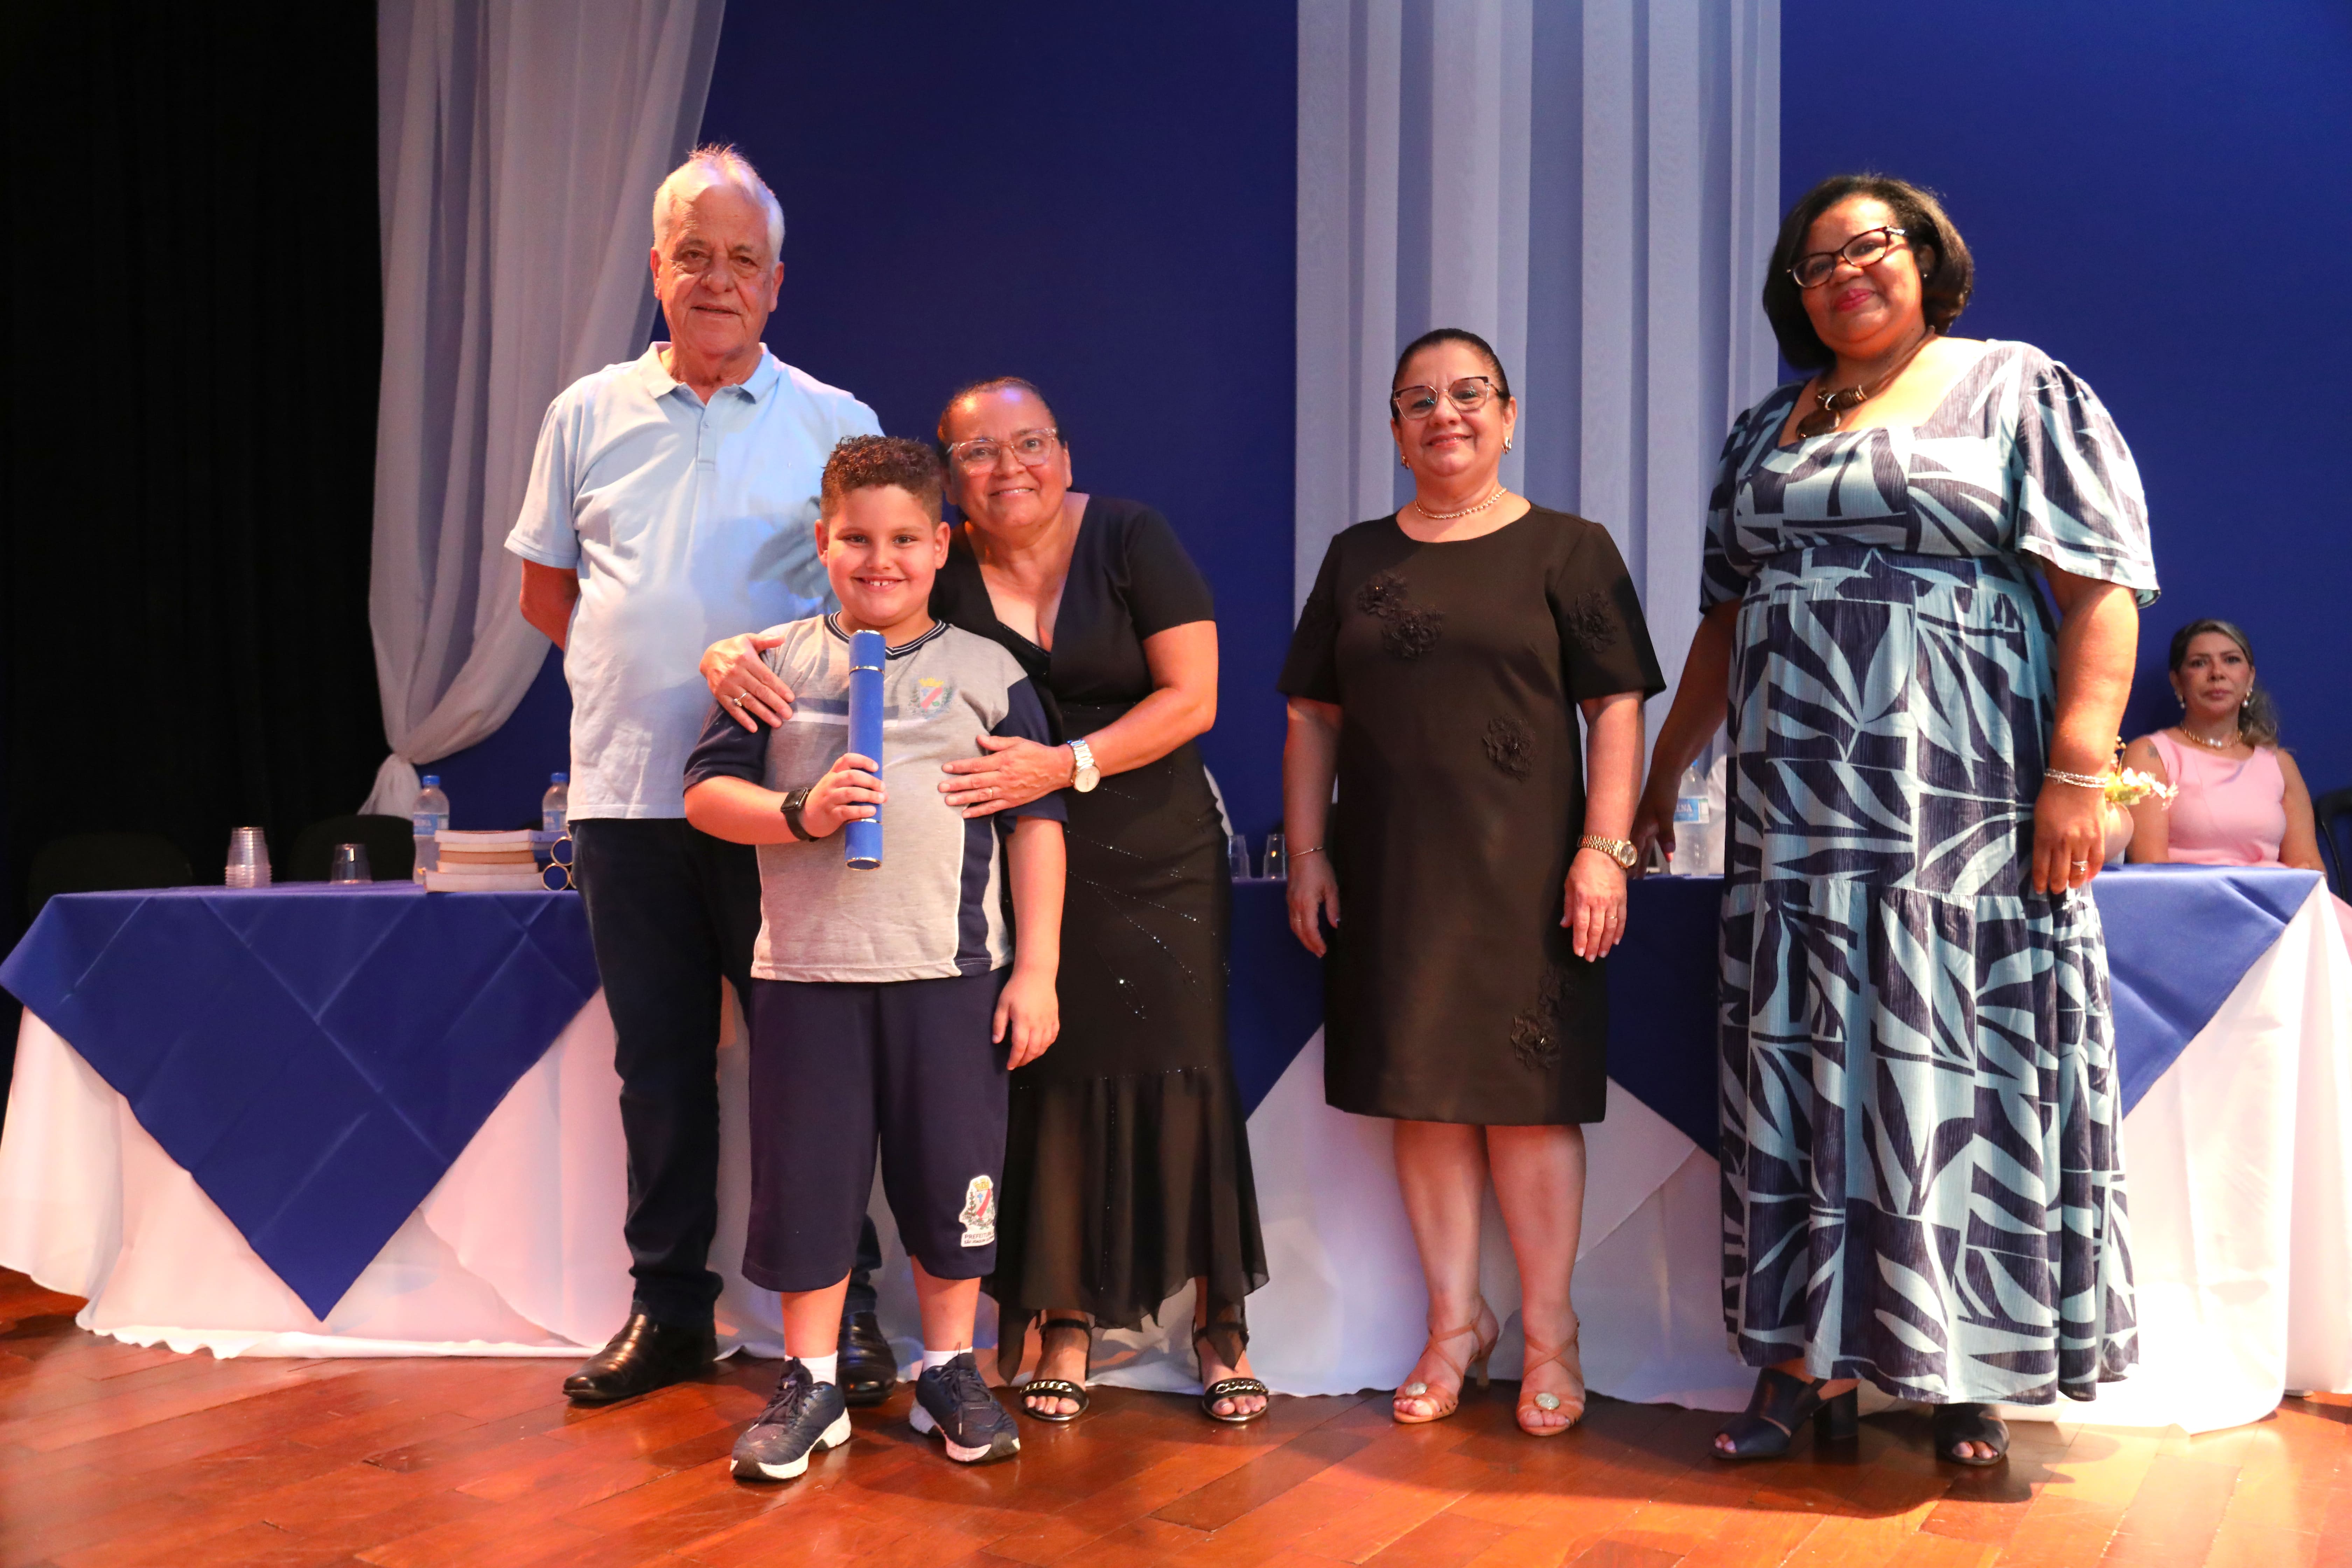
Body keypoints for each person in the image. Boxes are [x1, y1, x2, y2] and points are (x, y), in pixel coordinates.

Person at [1632, 174, 2155, 1466]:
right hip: (1792, 812)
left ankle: (1961, 1369)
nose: (1842, 275)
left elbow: (2099, 589)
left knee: (1950, 1047)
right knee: (1801, 1055)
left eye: (1867, 246)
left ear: (1924, 256)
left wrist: (2074, 772)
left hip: (1956, 795)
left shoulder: (2014, 388)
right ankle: (1795, 1362)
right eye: (1812, 264)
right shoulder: (1759, 430)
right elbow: (1721, 621)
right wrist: (1660, 774)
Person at [704, 378, 1271, 1423]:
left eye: (1031, 443)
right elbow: (845, 627)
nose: (1009, 466)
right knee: (1040, 1087)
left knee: (1175, 1074)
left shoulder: (1128, 539)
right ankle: (1058, 1317)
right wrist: (731, 653)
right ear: (951, 487)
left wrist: (1065, 765)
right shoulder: (936, 567)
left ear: (1065, 451)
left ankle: (1215, 1322)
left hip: (1146, 849)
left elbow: (1193, 697)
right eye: (978, 451)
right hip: (967, 880)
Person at [506, 146, 894, 1406]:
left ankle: (845, 1310)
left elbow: (875, 593)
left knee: (809, 1066)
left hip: (784, 803)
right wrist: (641, 670)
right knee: (659, 1070)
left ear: (775, 283)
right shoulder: (583, 413)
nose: (717, 279)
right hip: (626, 797)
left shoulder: (834, 422)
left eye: (742, 259)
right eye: (694, 255)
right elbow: (549, 594)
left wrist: (762, 672)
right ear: (656, 271)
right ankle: (670, 1310)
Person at [1279, 328, 1663, 1437]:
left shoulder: (1569, 548)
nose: (1443, 413)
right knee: (1425, 1096)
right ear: (1395, 430)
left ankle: (1550, 1335)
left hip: (1531, 873)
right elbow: (1311, 715)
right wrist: (1308, 852)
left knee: (1528, 1108)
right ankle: (1456, 1324)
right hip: (1391, 869)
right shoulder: (1355, 557)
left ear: (1506, 415)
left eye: (1467, 394)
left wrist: (1605, 849)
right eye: (1418, 399)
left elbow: (1616, 706)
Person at [682, 435, 1066, 1477]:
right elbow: (706, 796)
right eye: (856, 538)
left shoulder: (991, 674)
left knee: (953, 1182)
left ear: (941, 544)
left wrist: (1036, 971)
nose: (880, 560)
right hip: (808, 978)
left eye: (904, 539)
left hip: (951, 980)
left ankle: (949, 1369)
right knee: (806, 1185)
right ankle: (811, 1380)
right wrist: (799, 812)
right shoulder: (771, 667)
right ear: (823, 541)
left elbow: (1038, 825)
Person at [2123, 620, 2352, 954]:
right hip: (2195, 920)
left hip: (2280, 915)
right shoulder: (2150, 754)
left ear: (2250, 678)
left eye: (2231, 660)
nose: (2217, 673)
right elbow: (2151, 869)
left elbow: (2310, 870)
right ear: (2178, 681)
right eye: (2199, 663)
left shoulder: (2280, 764)